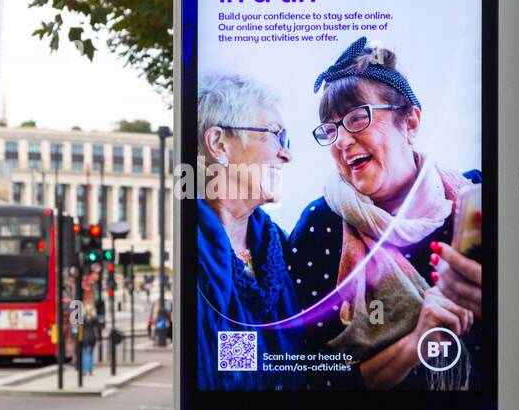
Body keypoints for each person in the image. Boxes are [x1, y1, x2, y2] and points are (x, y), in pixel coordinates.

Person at [289, 38, 482, 390]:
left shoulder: (474, 201)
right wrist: (416, 341)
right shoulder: (320, 228)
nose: (341, 142)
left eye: (358, 118)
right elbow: (308, 377)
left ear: (410, 123)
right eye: (331, 130)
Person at [196, 72, 302, 389]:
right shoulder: (191, 255)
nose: (287, 153)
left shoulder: (279, 247)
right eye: (276, 135)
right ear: (219, 144)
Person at [80, 311, 101, 375]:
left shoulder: (82, 318)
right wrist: (99, 338)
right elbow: (98, 328)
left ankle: (84, 370)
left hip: (84, 337)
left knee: (85, 354)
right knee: (91, 354)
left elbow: (80, 329)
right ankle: (90, 370)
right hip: (92, 337)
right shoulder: (94, 318)